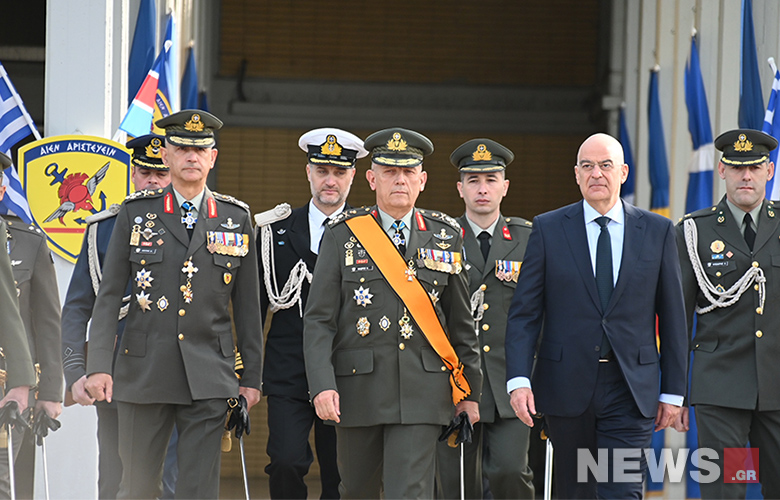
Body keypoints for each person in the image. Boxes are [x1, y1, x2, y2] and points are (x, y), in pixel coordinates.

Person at [84, 110, 263, 499]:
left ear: (213, 157)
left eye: (200, 149)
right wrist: (98, 365)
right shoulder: (135, 213)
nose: (191, 156)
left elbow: (248, 308)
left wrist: (252, 377)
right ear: (166, 155)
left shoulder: (235, 218)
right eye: (182, 148)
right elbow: (109, 296)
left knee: (197, 489)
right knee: (137, 488)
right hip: (144, 371)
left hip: (209, 374)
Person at [505, 132, 687, 499]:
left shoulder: (657, 231)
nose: (596, 174)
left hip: (630, 387)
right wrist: (519, 380)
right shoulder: (548, 229)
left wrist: (673, 392)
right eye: (587, 166)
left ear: (623, 172)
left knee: (623, 491)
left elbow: (673, 318)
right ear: (576, 174)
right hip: (566, 386)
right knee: (577, 492)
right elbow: (524, 314)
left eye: (605, 165)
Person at [304, 127, 482, 499]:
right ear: (372, 179)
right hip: (358, 389)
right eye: (389, 172)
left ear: (422, 180)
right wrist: (322, 384)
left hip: (423, 390)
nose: (399, 180)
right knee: (357, 491)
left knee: (410, 493)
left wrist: (470, 391)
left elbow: (461, 324)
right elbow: (319, 319)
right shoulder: (342, 234)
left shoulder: (446, 236)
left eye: (408, 172)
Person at [61, 134, 178, 499]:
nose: (153, 181)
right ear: (132, 173)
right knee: (114, 476)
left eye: (161, 174)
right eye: (145, 172)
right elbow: (77, 306)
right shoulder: (104, 228)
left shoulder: (194, 225)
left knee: (171, 479)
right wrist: (75, 371)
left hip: (175, 370)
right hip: (115, 369)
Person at [257, 128, 366, 499]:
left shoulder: (368, 235)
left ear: (353, 176)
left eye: (339, 172)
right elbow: (256, 307)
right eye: (322, 171)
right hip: (288, 370)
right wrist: (246, 372)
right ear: (308, 173)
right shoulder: (274, 231)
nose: (330, 181)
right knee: (285, 461)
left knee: (341, 474)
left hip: (346, 370)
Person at [675, 129, 780, 498]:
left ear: (769, 171)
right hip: (720, 388)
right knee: (726, 489)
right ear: (722, 171)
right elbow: (677, 318)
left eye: (754, 168)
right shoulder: (694, 231)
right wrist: (675, 393)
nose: (745, 176)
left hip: (777, 385)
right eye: (737, 168)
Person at [436, 139, 534, 500]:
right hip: (454, 383)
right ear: (459, 187)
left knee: (510, 470)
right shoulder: (439, 238)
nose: (482, 188)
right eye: (473, 180)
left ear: (505, 187)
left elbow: (540, 310)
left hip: (510, 381)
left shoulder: (528, 238)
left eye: (491, 180)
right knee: (456, 483)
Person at [0, 151, 63, 499]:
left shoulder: (27, 240)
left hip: (9, 385)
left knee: (4, 481)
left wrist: (50, 391)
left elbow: (48, 321)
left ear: (2, 190)